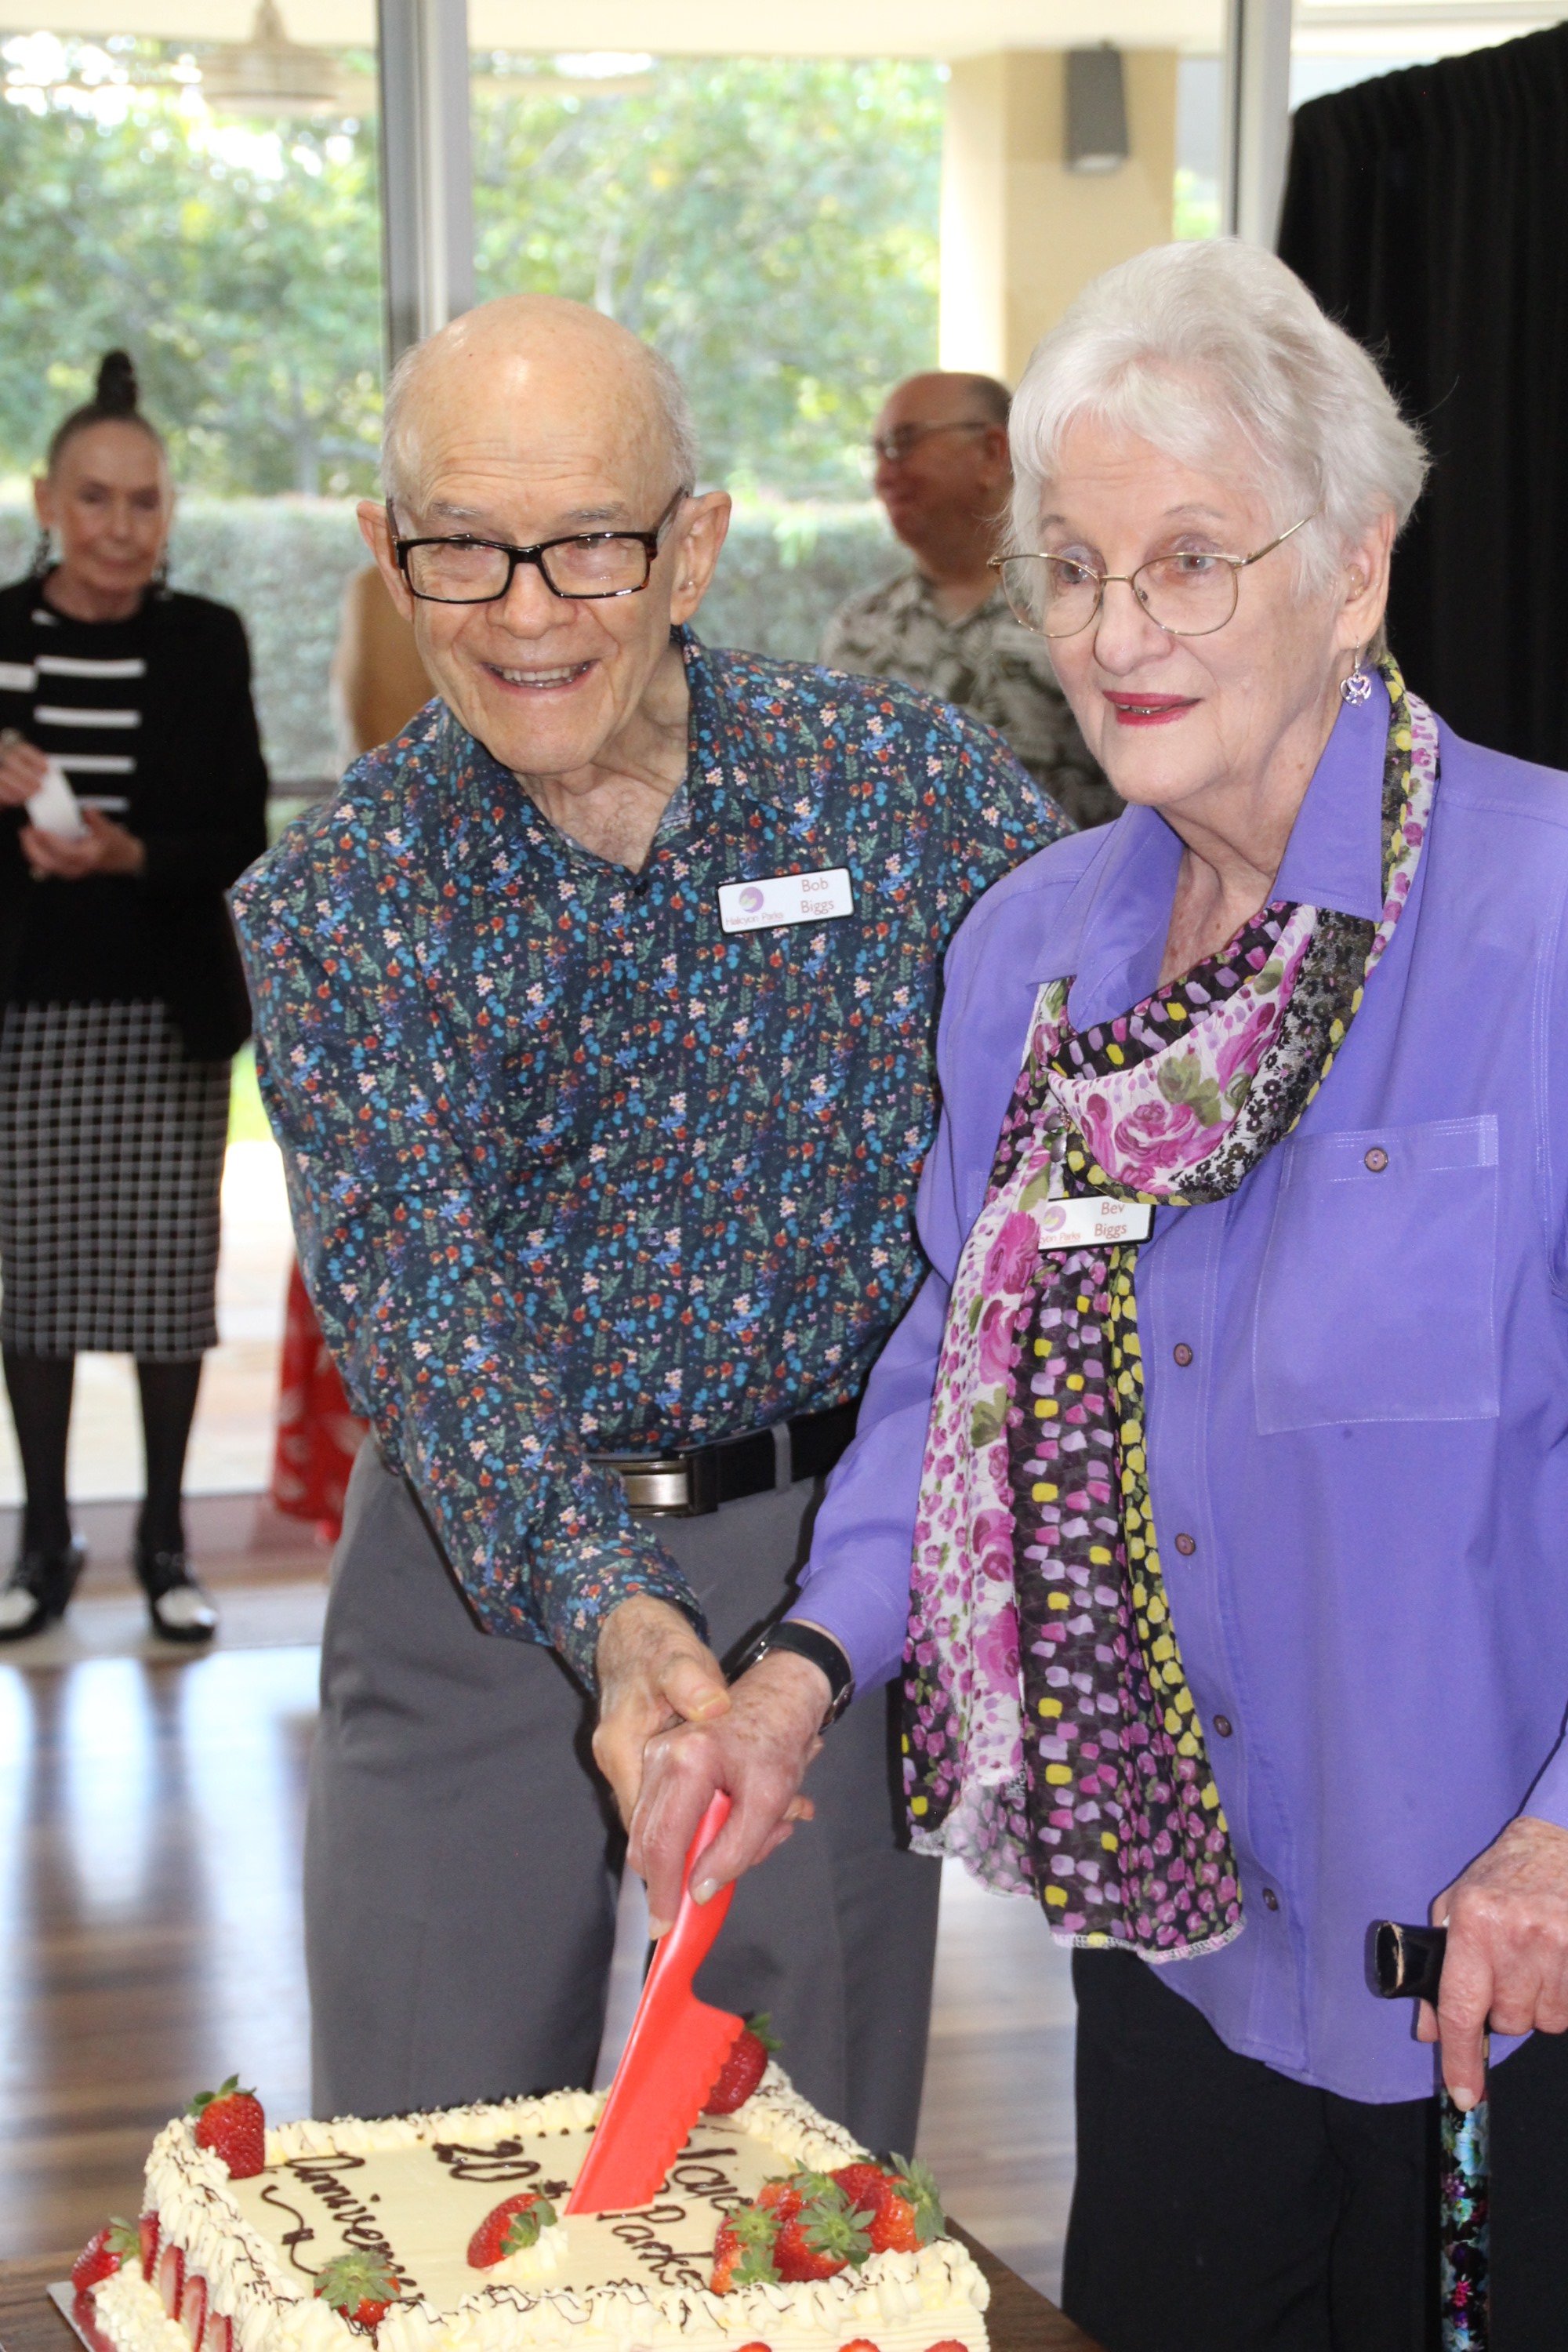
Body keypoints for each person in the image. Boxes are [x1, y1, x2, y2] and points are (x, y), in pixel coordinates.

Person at [617, 241, 1568, 2350]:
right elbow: (946, 1385)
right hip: (1173, 1939)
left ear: (1356, 572)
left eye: (1191, 563)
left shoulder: (1549, 918)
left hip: (1513, 1983)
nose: (1117, 637)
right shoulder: (1030, 963)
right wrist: (793, 1683)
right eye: (1073, 569)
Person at [230, 292, 1065, 2146]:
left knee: (806, 2172)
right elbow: (418, 1308)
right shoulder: (338, 901)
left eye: (591, 541)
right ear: (388, 554)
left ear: (691, 543)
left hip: (815, 1575)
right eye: (462, 546)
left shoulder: (906, 799)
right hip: (472, 1560)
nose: (527, 612)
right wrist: (608, 1611)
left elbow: (1096, 1083)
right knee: (424, 2168)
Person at [0, 352, 269, 1646]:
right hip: (22, 1005)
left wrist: (122, 852)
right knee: (31, 1285)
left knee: (168, 1286)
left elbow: (236, 828)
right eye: (96, 499)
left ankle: (166, 1535)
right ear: (49, 499)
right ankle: (42, 1536)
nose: (121, 527)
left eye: (145, 502)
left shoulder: (205, 640)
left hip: (161, 1007)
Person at [822, 370, 1118, 831]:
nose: (884, 476)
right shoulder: (860, 628)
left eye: (904, 444)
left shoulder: (1088, 603)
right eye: (878, 453)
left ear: (992, 452)